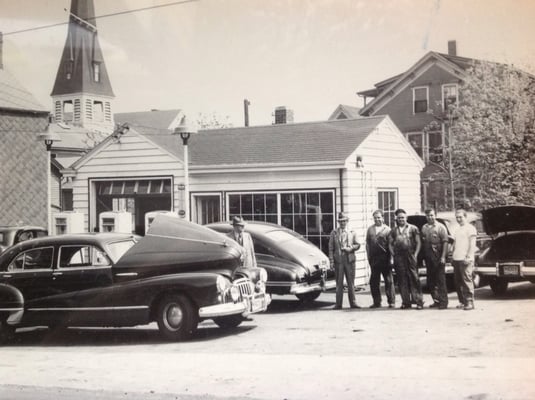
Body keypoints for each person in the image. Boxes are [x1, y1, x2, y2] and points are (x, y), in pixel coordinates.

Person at [388, 208, 424, 310]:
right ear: (396, 219)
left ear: (406, 218)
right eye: (399, 218)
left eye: (403, 217)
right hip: (399, 257)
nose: (401, 219)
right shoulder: (393, 231)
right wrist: (393, 254)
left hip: (410, 256)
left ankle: (419, 302)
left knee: (414, 278)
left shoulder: (413, 228)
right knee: (402, 279)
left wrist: (415, 255)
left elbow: (418, 242)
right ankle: (406, 302)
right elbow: (390, 244)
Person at [329, 212, 361, 309]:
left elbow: (358, 244)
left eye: (344, 221)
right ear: (338, 222)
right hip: (338, 261)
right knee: (339, 283)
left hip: (349, 260)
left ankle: (353, 303)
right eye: (340, 221)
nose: (342, 223)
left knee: (351, 282)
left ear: (347, 221)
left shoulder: (352, 232)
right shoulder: (334, 233)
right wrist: (331, 261)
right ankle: (338, 304)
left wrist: (350, 248)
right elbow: (330, 248)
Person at [365, 210, 395, 308]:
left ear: (383, 218)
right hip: (374, 259)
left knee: (388, 281)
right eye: (375, 218)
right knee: (374, 281)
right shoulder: (370, 229)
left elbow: (391, 245)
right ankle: (377, 302)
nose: (377, 219)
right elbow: (368, 244)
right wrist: (369, 257)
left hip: (385, 258)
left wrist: (391, 258)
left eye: (379, 217)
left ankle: (391, 301)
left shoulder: (387, 229)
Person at [421, 209, 449, 309]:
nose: (430, 217)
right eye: (428, 216)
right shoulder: (424, 227)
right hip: (429, 257)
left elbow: (445, 242)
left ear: (435, 215)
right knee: (430, 281)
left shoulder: (441, 227)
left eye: (432, 215)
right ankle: (436, 300)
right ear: (426, 216)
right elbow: (424, 243)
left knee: (440, 280)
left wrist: (443, 257)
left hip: (438, 256)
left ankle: (443, 302)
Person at [451, 208, 477, 310]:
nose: (459, 219)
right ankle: (462, 302)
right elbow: (455, 243)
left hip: (465, 259)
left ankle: (470, 302)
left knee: (467, 281)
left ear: (465, 217)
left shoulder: (470, 228)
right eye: (457, 217)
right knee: (458, 282)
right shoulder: (457, 229)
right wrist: (452, 255)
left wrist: (469, 257)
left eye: (460, 217)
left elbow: (472, 244)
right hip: (456, 258)